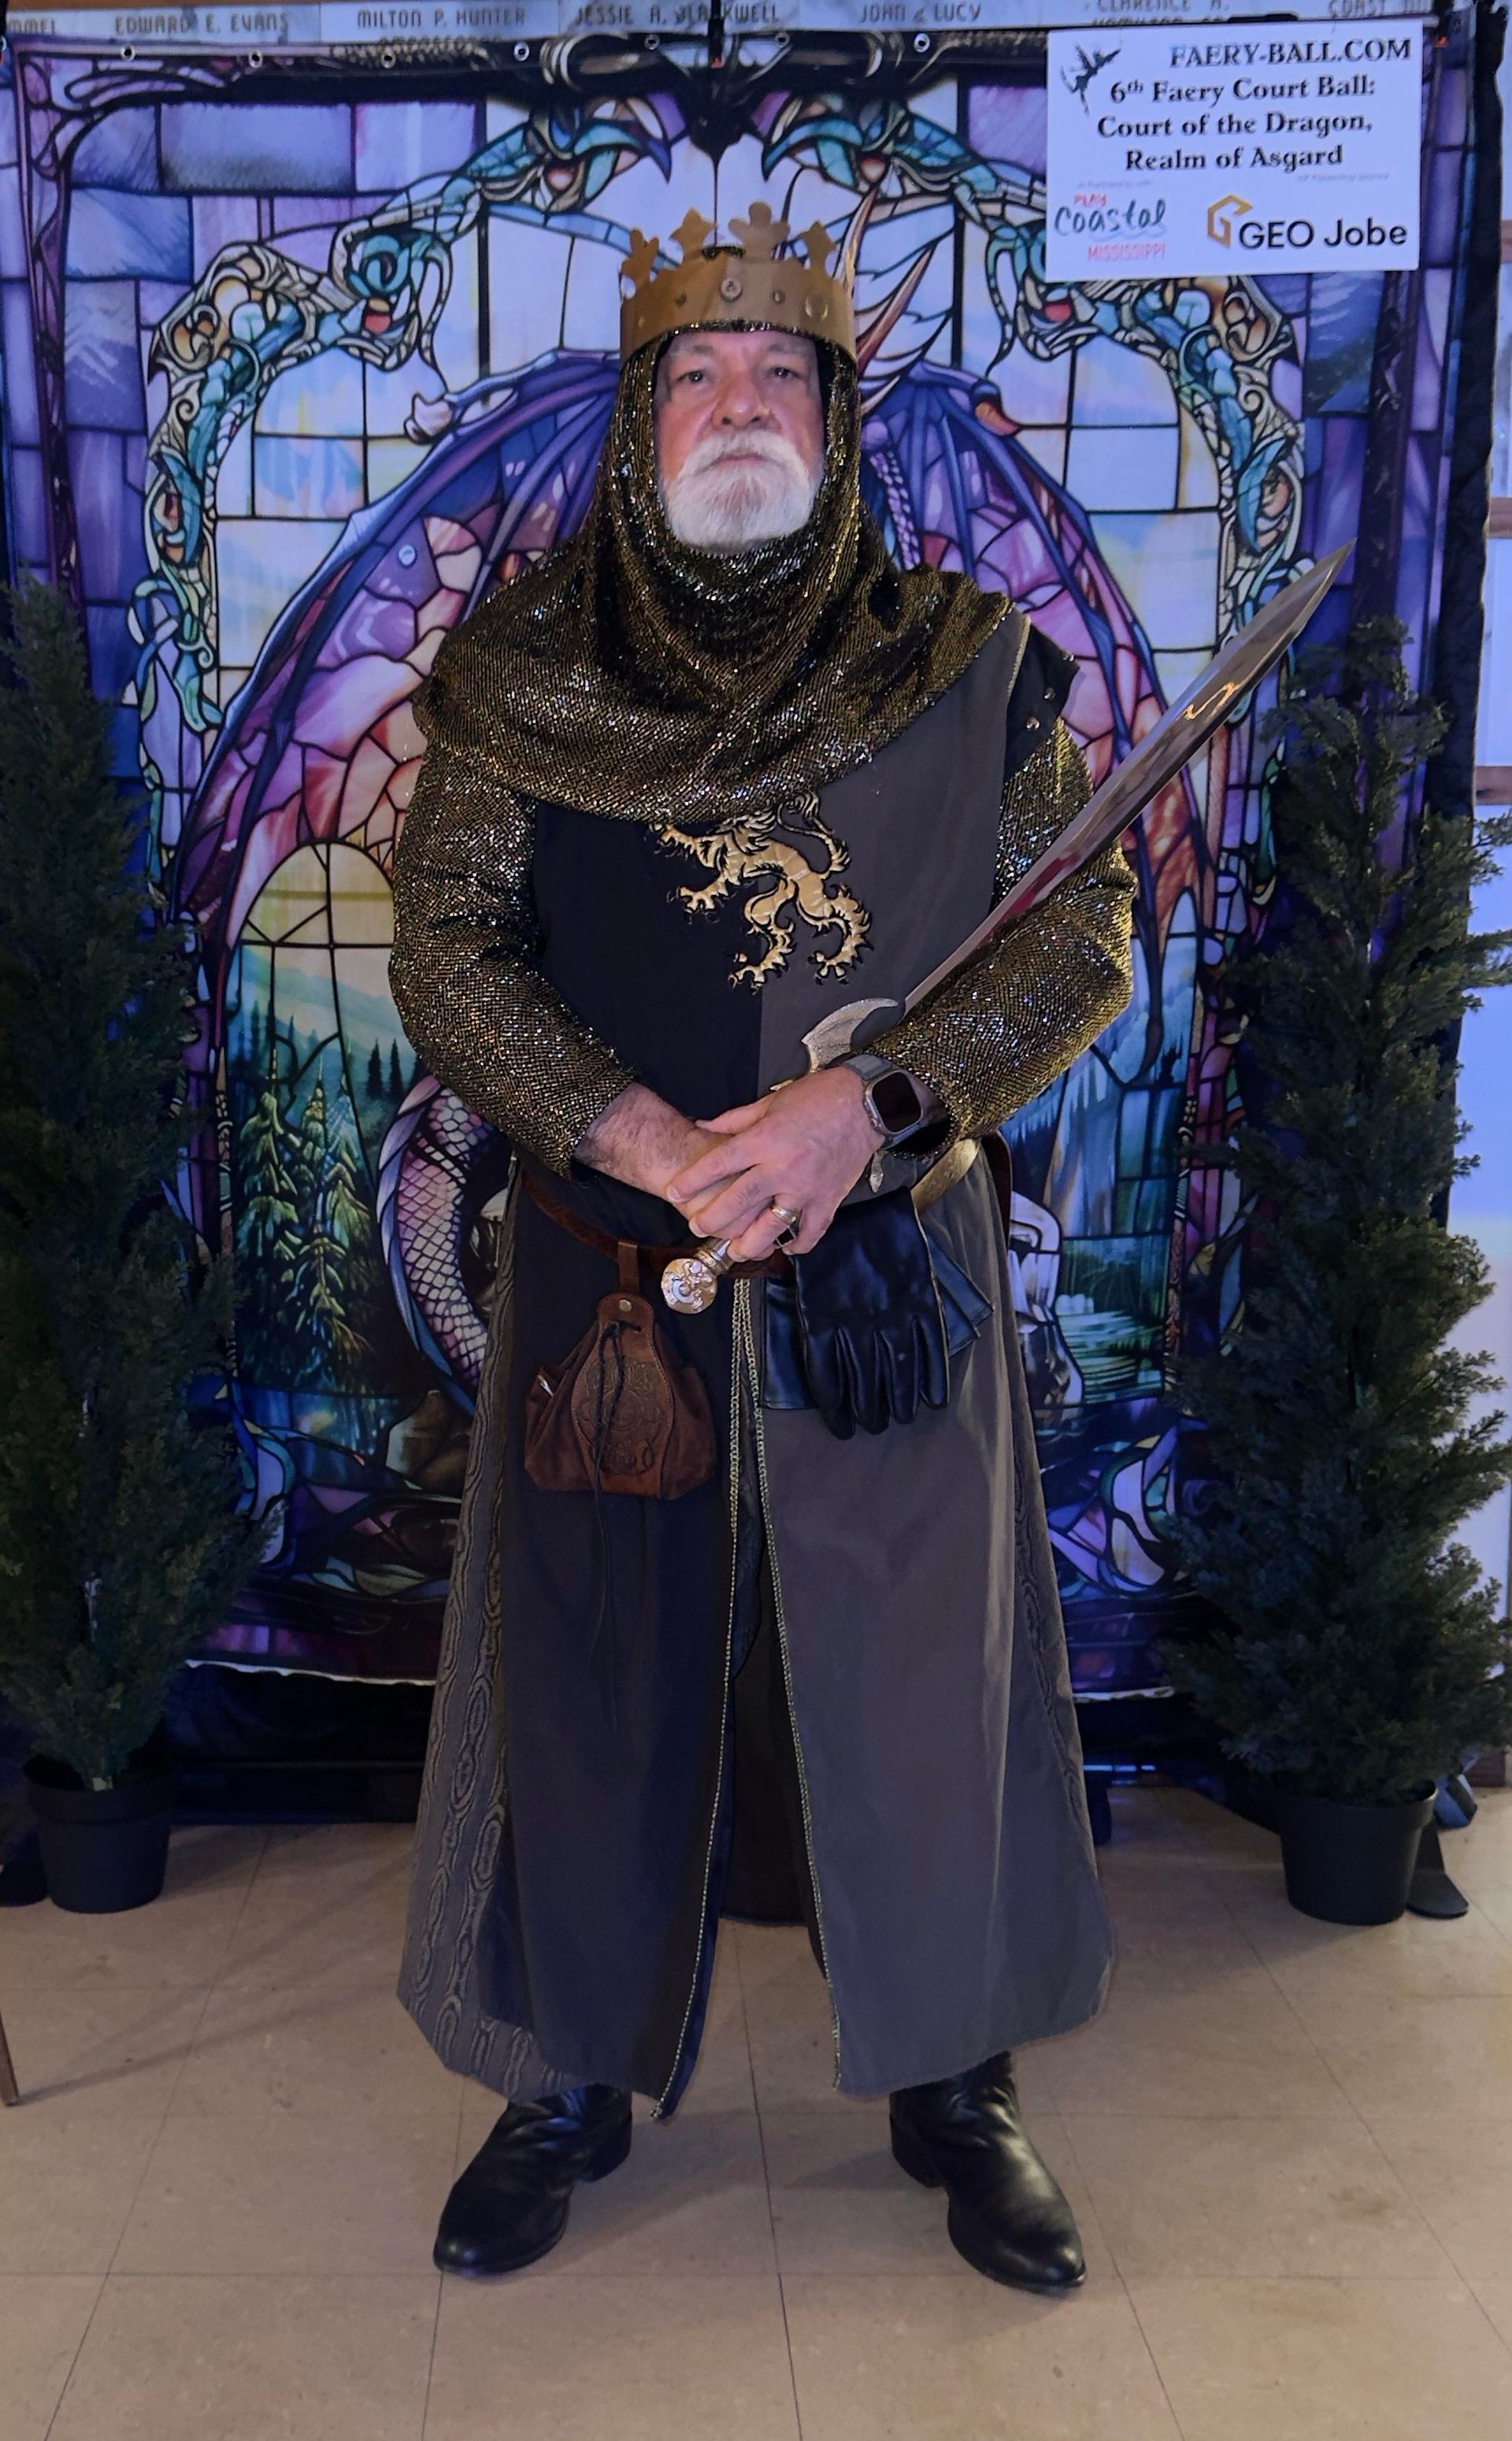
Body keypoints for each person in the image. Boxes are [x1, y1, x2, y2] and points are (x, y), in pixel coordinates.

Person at [388, 202, 1135, 2292]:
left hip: (887, 1263)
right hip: (613, 1268)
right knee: (594, 1668)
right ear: (642, 421)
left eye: (780, 373)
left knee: (924, 1670)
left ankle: (955, 2073)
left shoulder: (963, 665)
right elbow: (452, 952)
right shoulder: (527, 672)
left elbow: (1072, 935)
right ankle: (562, 2073)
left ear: (837, 420)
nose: (741, 405)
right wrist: (628, 1124)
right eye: (700, 372)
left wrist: (864, 1108)